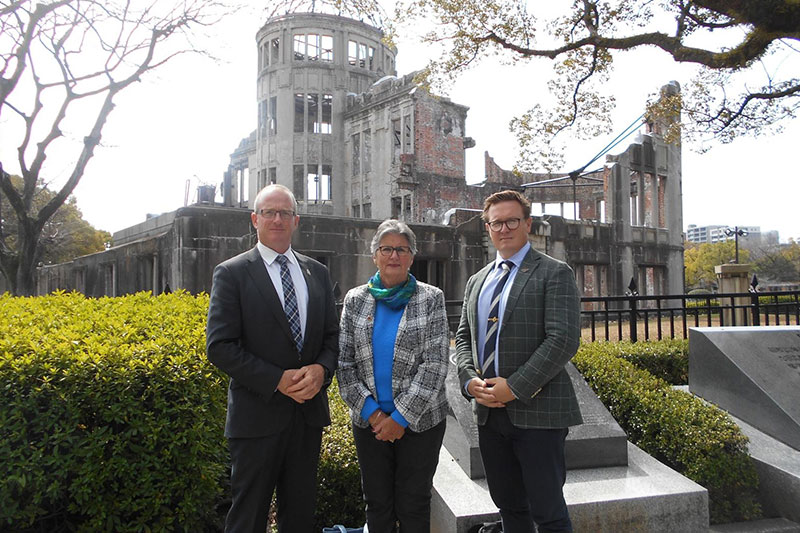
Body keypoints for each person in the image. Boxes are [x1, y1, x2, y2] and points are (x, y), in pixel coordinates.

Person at [206, 184, 339, 533]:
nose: (277, 219)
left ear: (296, 220)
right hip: (256, 418)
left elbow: (332, 337)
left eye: (284, 213)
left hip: (306, 417)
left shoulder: (318, 273)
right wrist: (276, 380)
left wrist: (321, 370)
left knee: (300, 516)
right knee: (248, 517)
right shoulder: (232, 273)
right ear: (255, 219)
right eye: (269, 212)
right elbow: (219, 346)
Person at [455, 190, 582, 533]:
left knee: (549, 510)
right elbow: (464, 338)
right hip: (489, 416)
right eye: (496, 222)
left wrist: (515, 387)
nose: (504, 228)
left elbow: (563, 340)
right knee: (510, 507)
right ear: (487, 228)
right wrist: (469, 380)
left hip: (538, 413)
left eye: (512, 220)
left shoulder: (554, 273)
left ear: (528, 224)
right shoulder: (477, 281)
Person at [337, 219, 449, 533]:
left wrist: (399, 419)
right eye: (386, 249)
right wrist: (375, 415)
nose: (394, 256)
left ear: (412, 257)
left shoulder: (431, 299)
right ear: (375, 256)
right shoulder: (355, 300)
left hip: (421, 423)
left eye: (401, 249)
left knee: (413, 504)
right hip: (369, 423)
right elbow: (344, 366)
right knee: (377, 505)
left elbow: (435, 365)